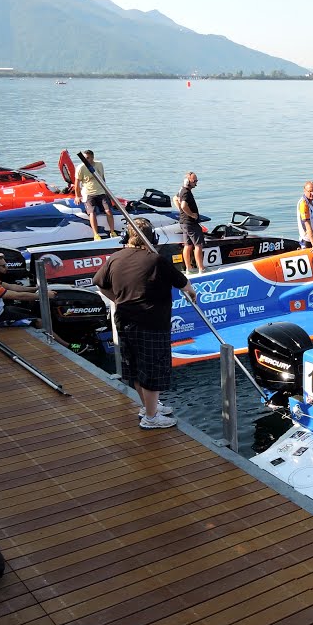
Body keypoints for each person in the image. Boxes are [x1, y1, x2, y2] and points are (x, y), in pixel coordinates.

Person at [93, 217, 197, 429]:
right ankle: (151, 418)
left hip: (124, 321)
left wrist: (116, 299)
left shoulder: (115, 258)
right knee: (152, 370)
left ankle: (149, 407)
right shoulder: (156, 260)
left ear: (126, 237)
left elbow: (99, 283)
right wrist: (192, 293)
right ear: (153, 238)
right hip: (152, 323)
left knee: (136, 368)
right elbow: (184, 283)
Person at [0, 253, 55, 327]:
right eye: (3, 266)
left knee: (31, 313)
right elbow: (18, 296)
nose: (6, 268)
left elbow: (10, 286)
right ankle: (63, 344)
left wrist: (36, 288)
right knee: (39, 321)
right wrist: (44, 295)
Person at [74, 149, 114, 240]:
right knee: (92, 212)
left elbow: (102, 178)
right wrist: (77, 196)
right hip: (89, 193)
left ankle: (112, 232)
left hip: (100, 192)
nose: (85, 160)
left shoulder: (99, 164)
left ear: (92, 158)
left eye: (87, 158)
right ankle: (96, 234)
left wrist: (107, 192)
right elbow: (77, 183)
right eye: (84, 158)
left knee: (108, 211)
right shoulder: (80, 168)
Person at [176, 171, 204, 274]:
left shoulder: (182, 190)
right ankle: (201, 268)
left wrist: (180, 210)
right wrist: (192, 215)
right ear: (188, 181)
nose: (196, 183)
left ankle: (189, 268)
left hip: (183, 222)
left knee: (187, 245)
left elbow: (175, 199)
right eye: (194, 181)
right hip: (190, 223)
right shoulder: (186, 192)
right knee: (198, 245)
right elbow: (183, 205)